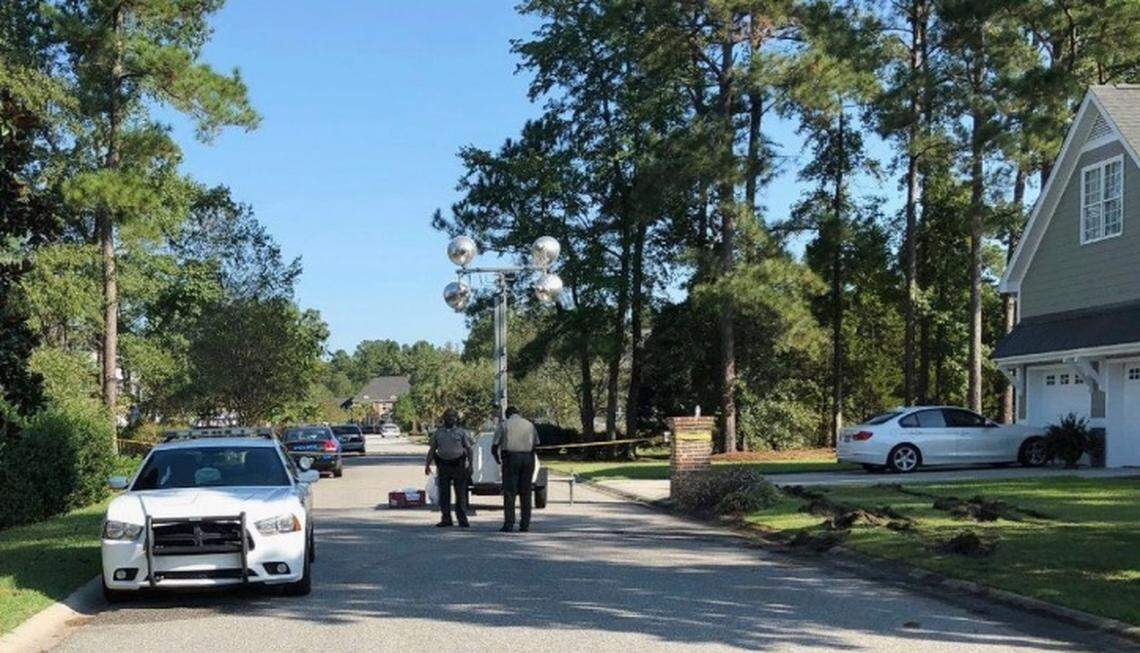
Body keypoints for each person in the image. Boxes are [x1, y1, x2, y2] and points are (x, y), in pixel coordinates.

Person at [492, 406, 540, 532]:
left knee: (509, 491)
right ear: (518, 413)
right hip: (528, 458)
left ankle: (509, 523)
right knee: (526, 492)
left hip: (510, 458)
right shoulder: (530, 425)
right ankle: (525, 524)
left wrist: (497, 459)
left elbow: (495, 445)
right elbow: (536, 444)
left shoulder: (504, 425)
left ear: (507, 414)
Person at [425, 409, 472, 528]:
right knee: (444, 494)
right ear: (444, 418)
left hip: (458, 465)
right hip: (444, 465)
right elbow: (432, 449)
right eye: (448, 416)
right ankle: (446, 519)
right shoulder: (438, 433)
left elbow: (469, 449)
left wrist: (470, 464)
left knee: (460, 493)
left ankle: (462, 519)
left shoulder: (461, 432)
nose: (451, 419)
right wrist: (427, 464)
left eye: (453, 417)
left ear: (456, 419)